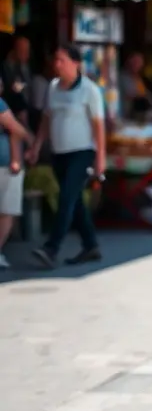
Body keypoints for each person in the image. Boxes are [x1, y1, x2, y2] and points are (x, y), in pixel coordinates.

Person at [27, 45, 105, 268]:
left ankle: (51, 248)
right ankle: (91, 245)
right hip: (59, 153)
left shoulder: (89, 90)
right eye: (56, 60)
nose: (57, 64)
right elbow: (46, 119)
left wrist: (100, 158)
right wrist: (36, 146)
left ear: (75, 63)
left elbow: (98, 127)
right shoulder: (52, 87)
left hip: (82, 152)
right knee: (75, 201)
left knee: (66, 199)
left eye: (62, 60)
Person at [0, 92, 30, 269]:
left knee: (5, 210)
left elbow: (14, 130)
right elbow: (16, 130)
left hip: (6, 163)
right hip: (5, 163)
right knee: (6, 210)